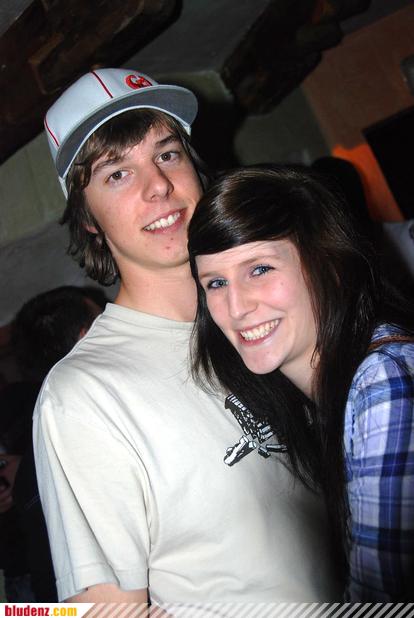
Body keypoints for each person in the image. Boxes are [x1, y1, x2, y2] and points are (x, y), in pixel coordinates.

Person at [33, 69, 340, 607]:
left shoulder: (263, 317)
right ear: (88, 219)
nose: (158, 185)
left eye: (168, 154)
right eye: (117, 174)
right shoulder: (82, 396)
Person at [187, 164, 414, 602]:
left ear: (327, 264)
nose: (236, 307)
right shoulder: (322, 403)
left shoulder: (382, 382)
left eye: (259, 269)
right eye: (215, 283)